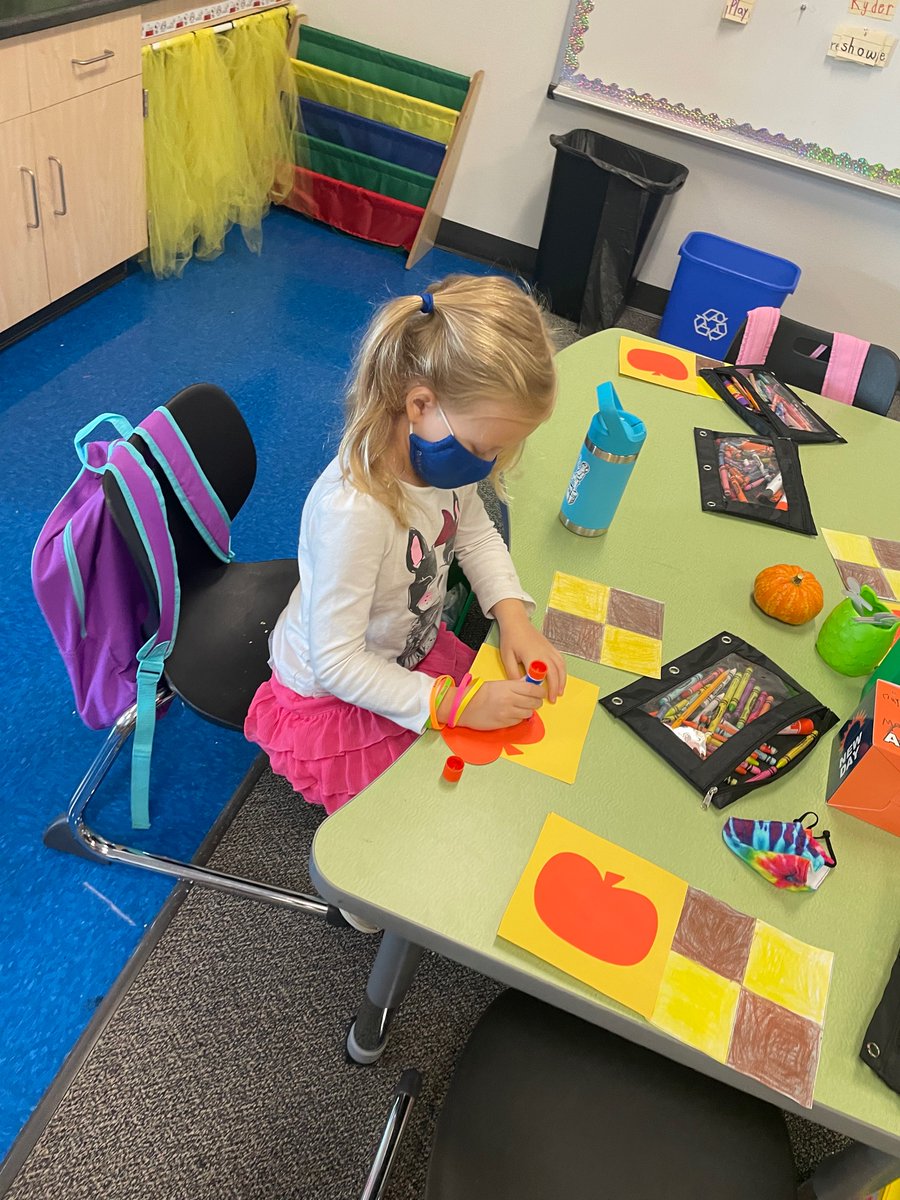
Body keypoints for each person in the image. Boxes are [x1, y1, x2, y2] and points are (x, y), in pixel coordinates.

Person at [245, 274, 566, 817]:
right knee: (414, 814)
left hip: (404, 650)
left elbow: (475, 531)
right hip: (333, 694)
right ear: (420, 404)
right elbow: (337, 664)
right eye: (484, 447)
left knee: (491, 761)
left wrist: (513, 616)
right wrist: (452, 703)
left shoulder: (442, 451)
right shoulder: (355, 514)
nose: (486, 464)